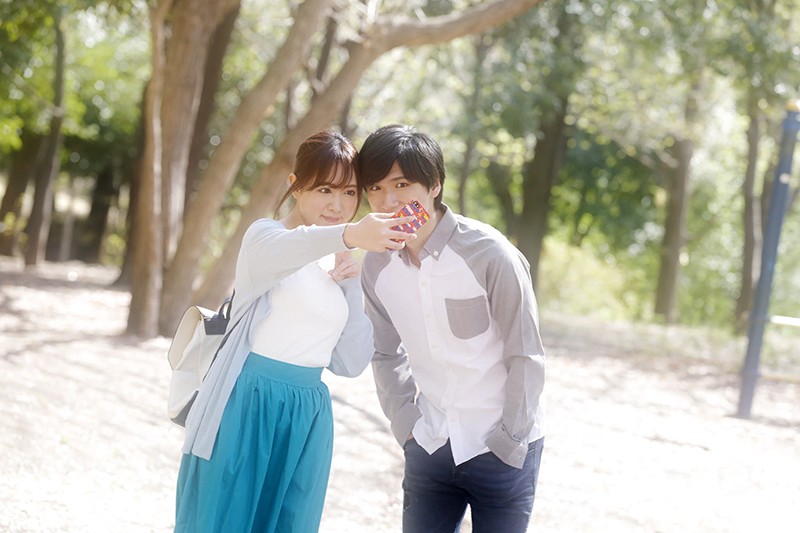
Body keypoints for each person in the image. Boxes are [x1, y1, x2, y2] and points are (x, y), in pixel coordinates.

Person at [174, 130, 416, 532]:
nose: (338, 205)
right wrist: (350, 235)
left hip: (307, 412)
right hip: (246, 402)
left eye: (349, 192)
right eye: (325, 189)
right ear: (295, 186)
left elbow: (351, 362)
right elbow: (293, 248)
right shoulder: (265, 237)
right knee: (226, 519)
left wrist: (350, 282)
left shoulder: (337, 262)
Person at [359, 124, 547, 532]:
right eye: (375, 188)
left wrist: (509, 440)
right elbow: (385, 352)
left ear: (435, 185)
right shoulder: (376, 266)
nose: (388, 201)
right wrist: (407, 426)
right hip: (429, 443)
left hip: (502, 448)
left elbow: (526, 354)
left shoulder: (491, 254)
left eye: (402, 184)